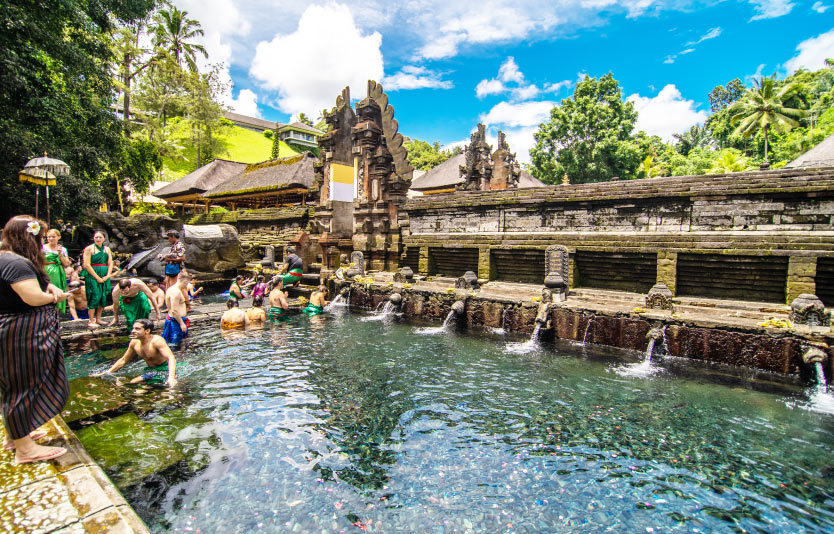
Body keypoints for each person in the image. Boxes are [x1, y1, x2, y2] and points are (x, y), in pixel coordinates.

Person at [0, 215, 71, 464]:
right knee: (24, 384)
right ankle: (25, 450)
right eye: (39, 238)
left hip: (16, 329)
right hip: (22, 332)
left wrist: (50, 285)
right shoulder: (14, 262)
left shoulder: (10, 259)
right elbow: (31, 297)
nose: (41, 243)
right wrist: (54, 297)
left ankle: (17, 437)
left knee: (13, 384)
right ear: (27, 237)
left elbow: (36, 284)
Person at [96, 319, 178, 386]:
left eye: (137, 329)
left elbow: (170, 358)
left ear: (147, 331)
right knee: (135, 388)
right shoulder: (134, 342)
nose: (132, 331)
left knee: (133, 382)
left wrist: (171, 377)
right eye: (133, 328)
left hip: (164, 369)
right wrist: (107, 372)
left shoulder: (157, 341)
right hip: (151, 370)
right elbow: (124, 360)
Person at [82, 230, 113, 328]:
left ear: (104, 239)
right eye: (96, 237)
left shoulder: (107, 249)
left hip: (104, 274)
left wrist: (108, 275)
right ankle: (91, 320)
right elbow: (87, 265)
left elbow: (110, 262)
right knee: (94, 296)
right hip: (93, 274)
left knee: (102, 296)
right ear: (93, 238)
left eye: (100, 237)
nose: (98, 239)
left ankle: (98, 319)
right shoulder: (89, 249)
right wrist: (97, 278)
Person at [42, 229, 71, 314]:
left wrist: (60, 254)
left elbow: (66, 264)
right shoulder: (43, 248)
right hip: (47, 271)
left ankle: (56, 317)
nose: (51, 239)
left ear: (58, 237)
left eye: (53, 237)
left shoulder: (63, 249)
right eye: (49, 237)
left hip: (58, 272)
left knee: (58, 293)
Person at [163, 272, 191, 345]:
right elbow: (174, 310)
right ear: (185, 281)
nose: (187, 285)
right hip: (176, 321)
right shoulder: (176, 292)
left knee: (179, 342)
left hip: (174, 319)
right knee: (176, 342)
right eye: (187, 283)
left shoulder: (171, 289)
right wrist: (181, 323)